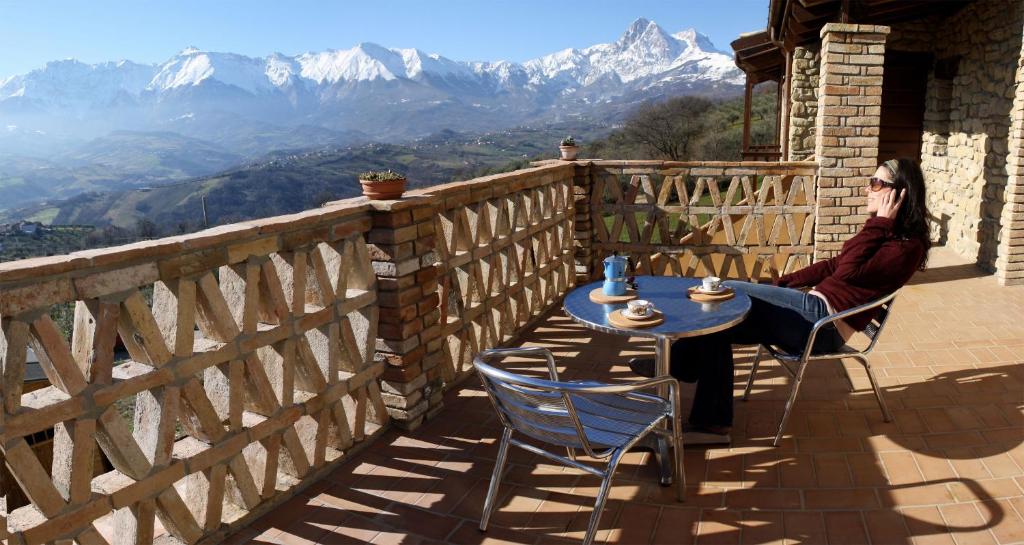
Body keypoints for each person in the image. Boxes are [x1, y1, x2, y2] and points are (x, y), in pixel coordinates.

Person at [629, 158, 931, 444]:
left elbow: (848, 270)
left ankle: (675, 365)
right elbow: (834, 266)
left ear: (900, 195)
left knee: (726, 290)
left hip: (821, 327)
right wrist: (784, 284)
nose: (868, 188)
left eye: (876, 184)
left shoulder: (905, 247)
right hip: (808, 312)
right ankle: (712, 420)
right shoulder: (888, 235)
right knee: (718, 320)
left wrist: (878, 224)